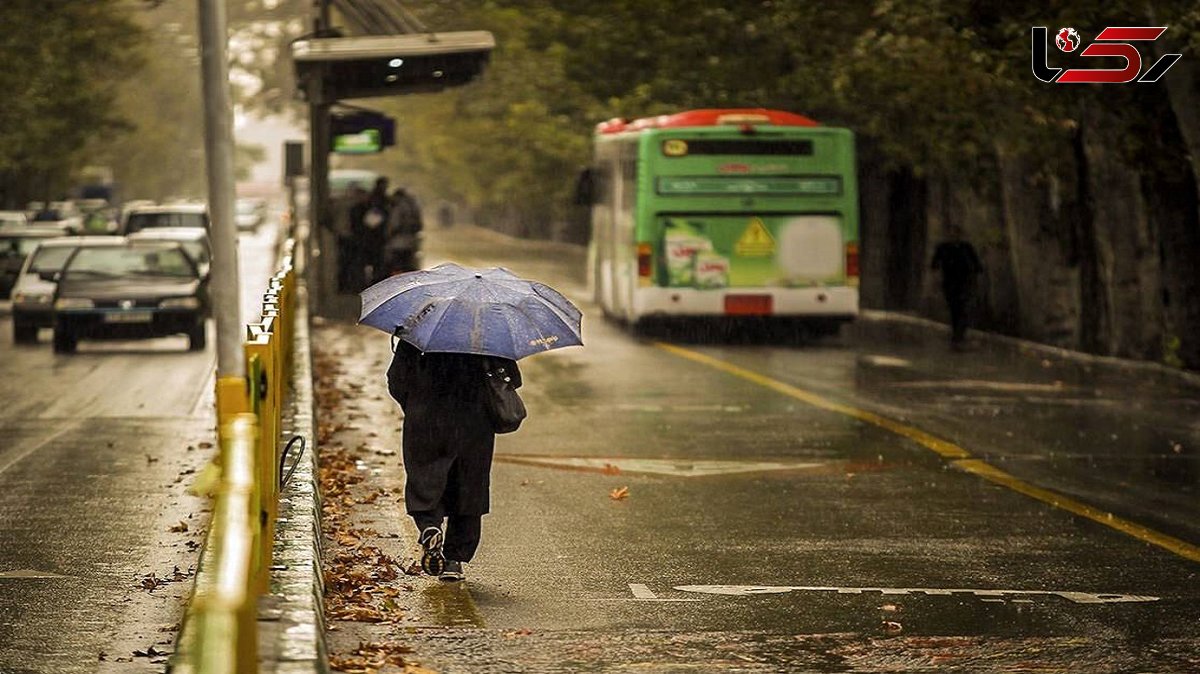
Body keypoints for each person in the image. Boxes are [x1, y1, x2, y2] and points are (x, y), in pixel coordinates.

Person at [386, 339, 522, 582]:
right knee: (469, 487)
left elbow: (397, 380)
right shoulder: (489, 335)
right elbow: (511, 379)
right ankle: (453, 560)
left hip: (426, 417)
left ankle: (430, 525)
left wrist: (416, 405)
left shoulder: (419, 332)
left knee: (425, 479)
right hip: (474, 422)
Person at [931, 225, 983, 348]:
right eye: (952, 234)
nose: (954, 236)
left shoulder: (967, 247)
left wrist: (974, 280)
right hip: (949, 283)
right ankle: (956, 335)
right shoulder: (942, 248)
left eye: (957, 234)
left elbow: (977, 266)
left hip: (965, 283)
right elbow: (934, 265)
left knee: (963, 308)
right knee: (954, 308)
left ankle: (959, 335)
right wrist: (936, 280)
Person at [384, 187, 423, 274]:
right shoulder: (413, 207)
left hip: (397, 242)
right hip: (411, 242)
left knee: (397, 266)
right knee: (408, 266)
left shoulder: (398, 207)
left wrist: (387, 235)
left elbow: (394, 224)